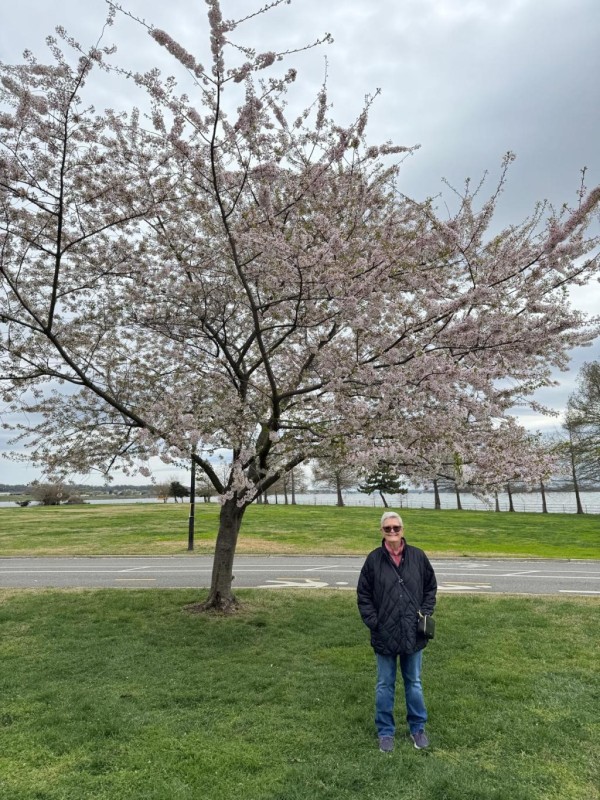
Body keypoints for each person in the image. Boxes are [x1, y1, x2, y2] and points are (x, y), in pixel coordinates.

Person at [357, 511, 437, 753]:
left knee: (414, 682)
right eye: (387, 528)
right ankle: (385, 732)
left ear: (403, 530)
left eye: (396, 527)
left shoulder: (418, 557)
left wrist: (424, 612)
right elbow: (363, 595)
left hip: (413, 632)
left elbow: (430, 587)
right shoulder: (373, 560)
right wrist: (375, 623)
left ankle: (418, 728)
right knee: (385, 684)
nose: (392, 531)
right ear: (381, 531)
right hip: (385, 633)